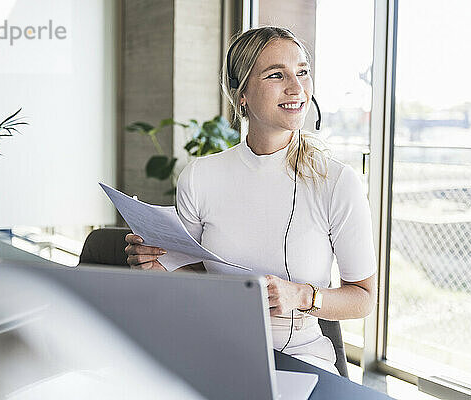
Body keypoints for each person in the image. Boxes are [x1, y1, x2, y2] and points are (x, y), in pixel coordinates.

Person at [124, 26, 377, 375]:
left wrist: (301, 296)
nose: (297, 87)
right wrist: (157, 265)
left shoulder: (336, 182)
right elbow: (195, 272)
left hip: (299, 361)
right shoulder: (201, 177)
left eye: (302, 71)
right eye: (276, 75)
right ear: (241, 94)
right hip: (212, 348)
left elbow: (363, 298)